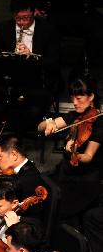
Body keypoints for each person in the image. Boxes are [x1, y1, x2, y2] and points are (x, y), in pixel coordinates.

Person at [0, 0, 61, 136]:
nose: (22, 22)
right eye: (18, 18)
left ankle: (16, 142)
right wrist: (11, 57)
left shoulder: (48, 30)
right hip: (9, 82)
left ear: (33, 13)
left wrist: (32, 56)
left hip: (38, 83)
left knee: (32, 110)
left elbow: (54, 63)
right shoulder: (3, 28)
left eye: (26, 18)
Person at [38, 76, 102, 222]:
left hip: (85, 180)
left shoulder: (99, 123)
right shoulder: (74, 116)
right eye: (72, 98)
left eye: (79, 98)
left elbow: (88, 156)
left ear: (91, 96)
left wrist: (74, 153)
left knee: (55, 206)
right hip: (66, 171)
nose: (74, 102)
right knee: (40, 184)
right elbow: (39, 127)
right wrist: (48, 123)